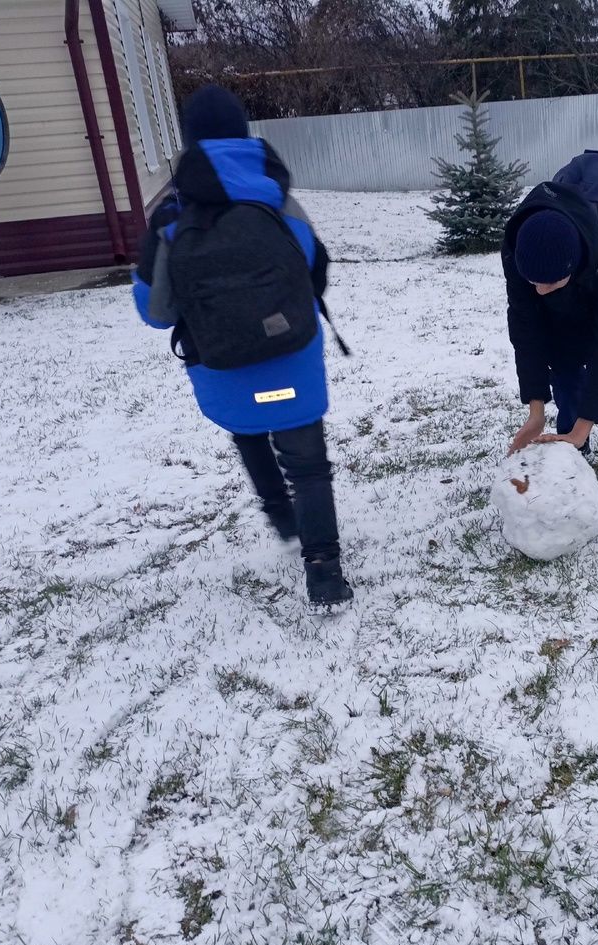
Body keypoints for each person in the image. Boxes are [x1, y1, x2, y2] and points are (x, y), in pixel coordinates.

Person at [132, 85, 353, 606]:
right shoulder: (280, 201)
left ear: (188, 142)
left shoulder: (169, 220)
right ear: (244, 132)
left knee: (249, 426)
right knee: (308, 463)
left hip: (223, 368)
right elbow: (315, 275)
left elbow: (155, 313)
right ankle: (323, 572)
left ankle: (279, 511)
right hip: (291, 358)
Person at [502, 173, 598, 521]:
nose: (539, 291)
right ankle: (572, 449)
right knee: (565, 358)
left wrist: (587, 422)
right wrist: (536, 410)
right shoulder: (517, 245)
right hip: (574, 282)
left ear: (572, 267)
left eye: (549, 282)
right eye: (533, 282)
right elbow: (526, 329)